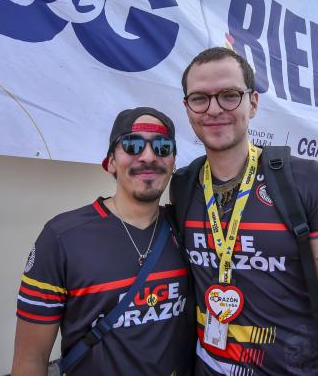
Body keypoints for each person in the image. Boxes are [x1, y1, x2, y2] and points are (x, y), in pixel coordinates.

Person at [170, 48, 318, 375]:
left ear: (253, 103)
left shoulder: (305, 181)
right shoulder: (183, 185)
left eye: (229, 95)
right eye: (200, 98)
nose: (214, 109)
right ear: (187, 109)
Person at [11, 107, 191, 375]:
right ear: (111, 162)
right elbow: (30, 359)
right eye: (132, 145)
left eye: (162, 147)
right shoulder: (62, 237)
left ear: (173, 162)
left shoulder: (187, 231)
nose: (148, 156)